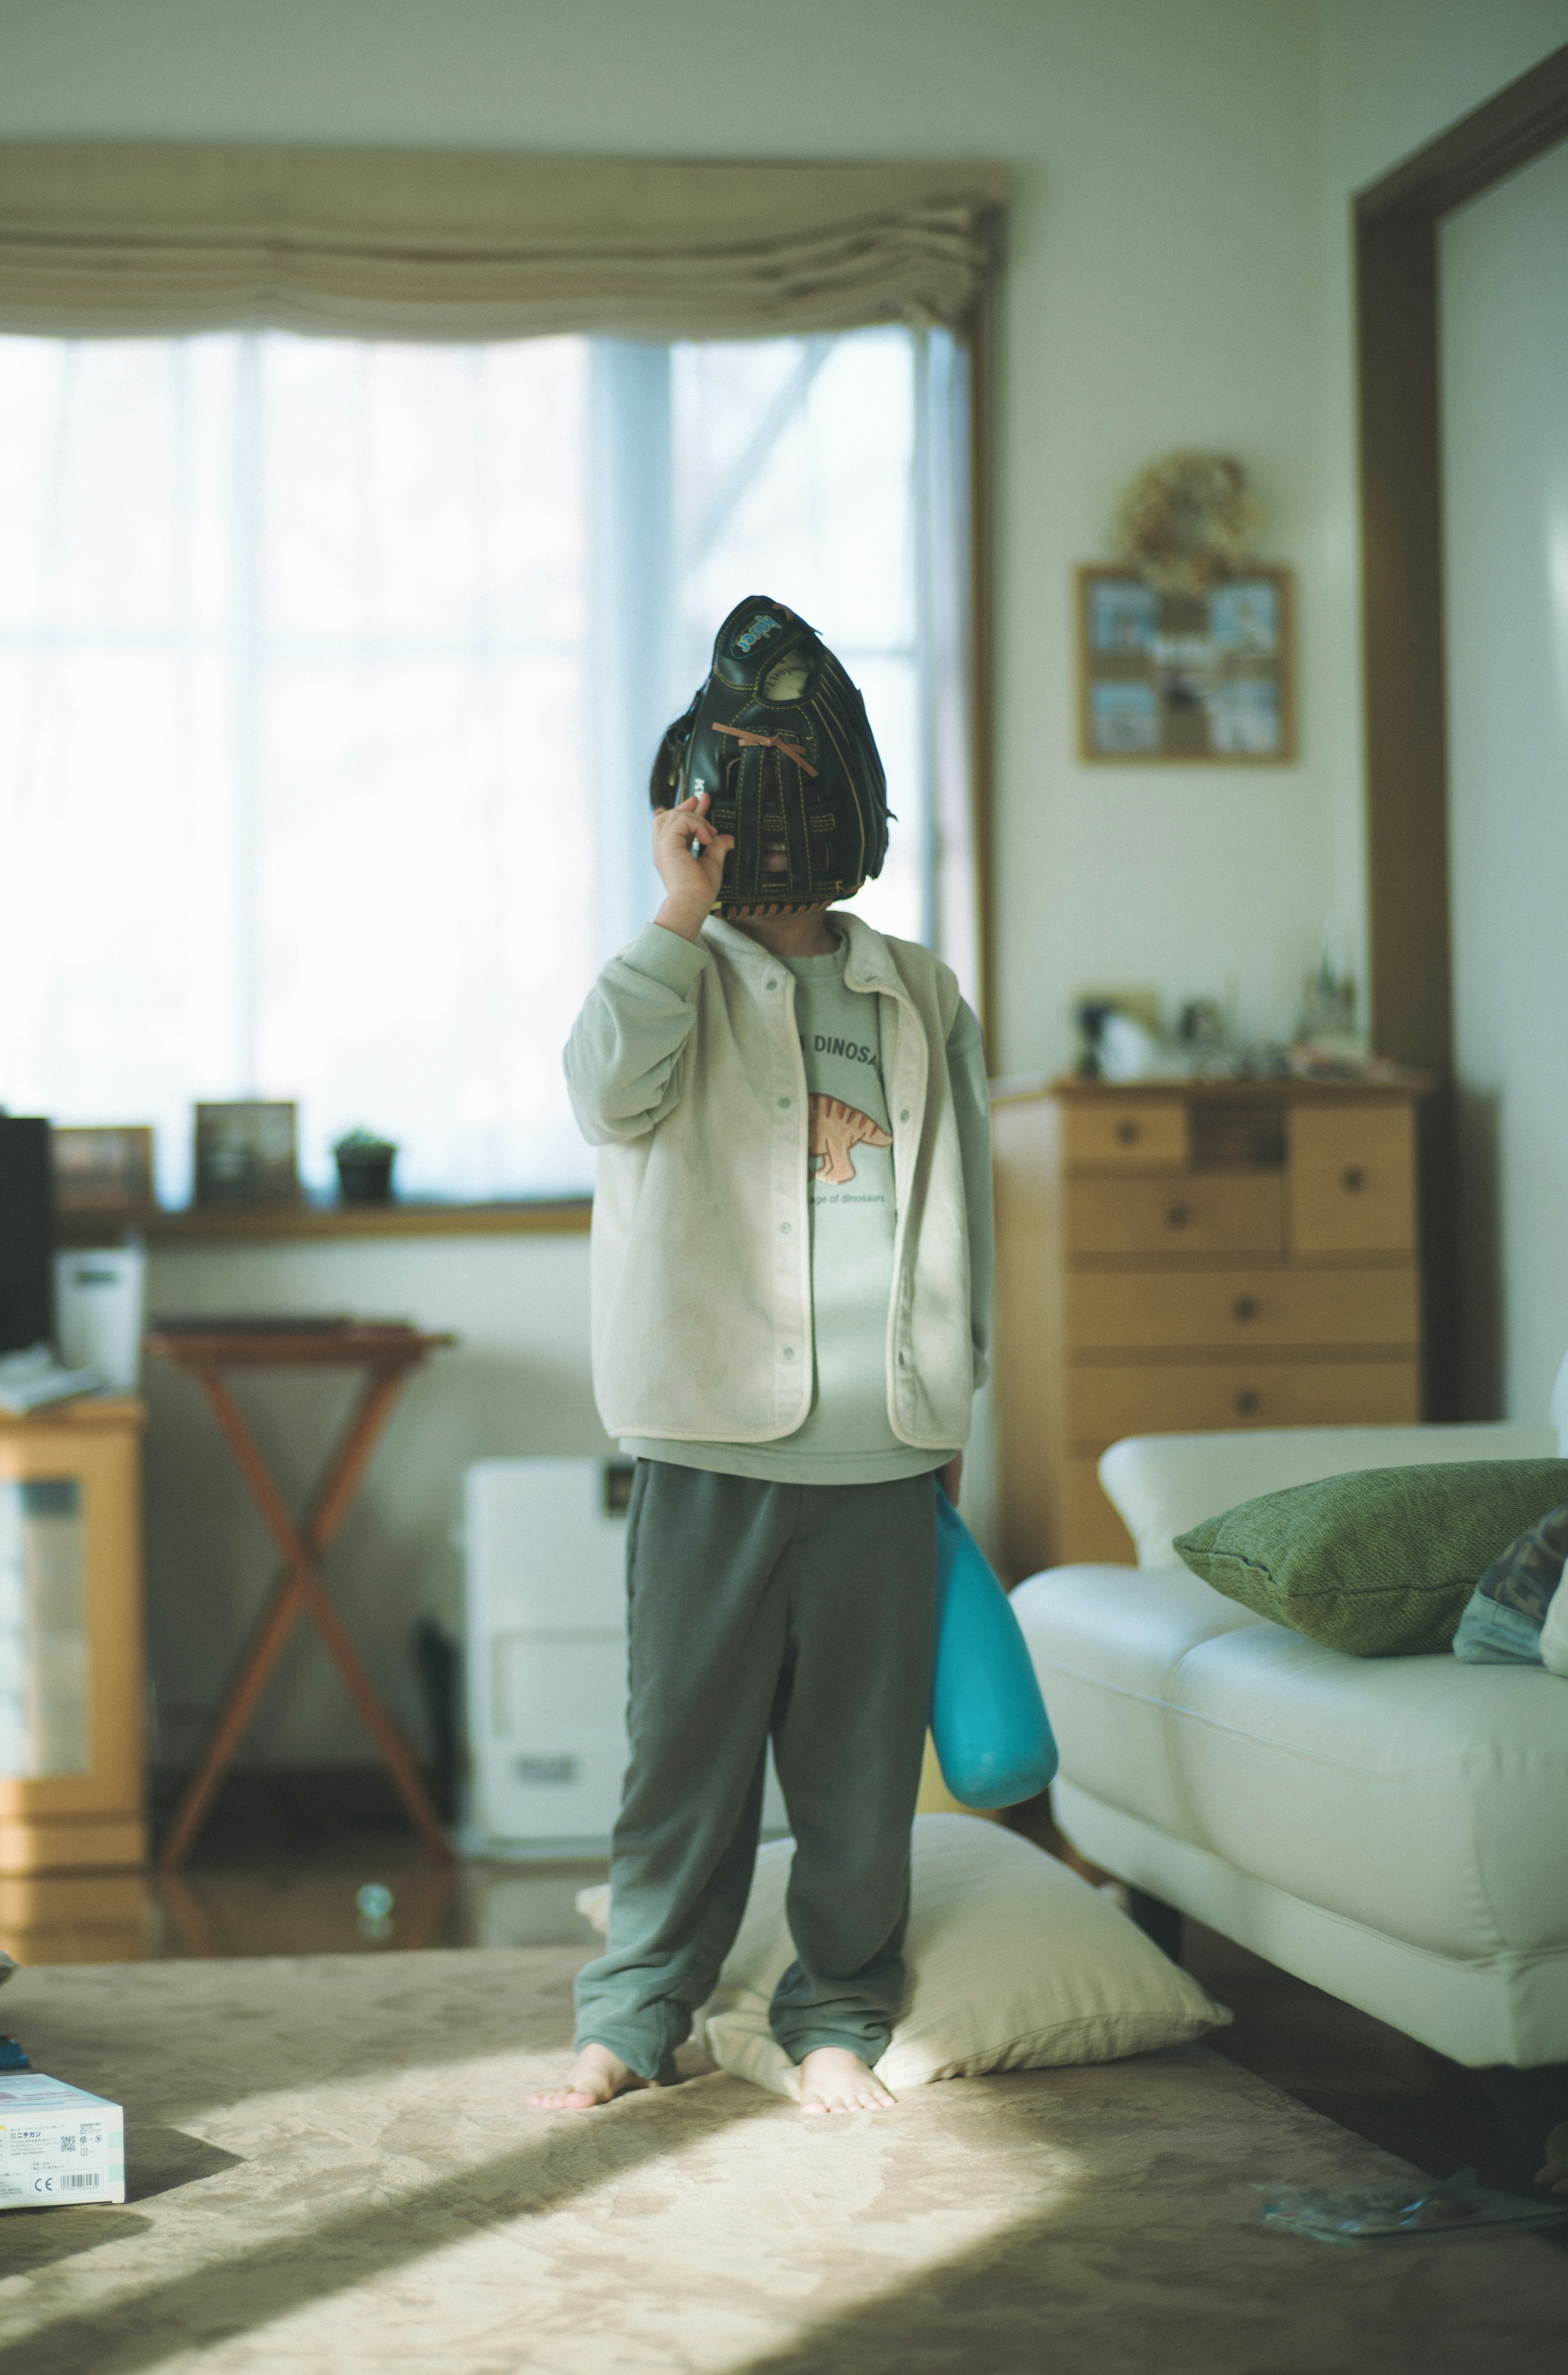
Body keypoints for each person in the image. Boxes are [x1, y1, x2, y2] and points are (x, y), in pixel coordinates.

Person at [532, 595, 992, 2119]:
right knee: (687, 1758)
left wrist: (955, 1406)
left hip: (881, 1450)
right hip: (708, 1443)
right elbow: (604, 1093)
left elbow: (963, 1208)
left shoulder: (917, 994)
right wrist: (676, 912)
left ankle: (838, 2012)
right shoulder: (674, 985)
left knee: (860, 1777)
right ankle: (640, 2006)